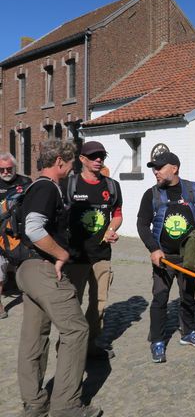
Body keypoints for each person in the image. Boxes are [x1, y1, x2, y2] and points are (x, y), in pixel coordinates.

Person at [16, 139, 102, 417]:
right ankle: (66, 406)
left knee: (34, 336)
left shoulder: (31, 187)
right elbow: (34, 228)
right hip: (43, 268)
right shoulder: (47, 188)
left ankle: (35, 403)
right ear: (59, 162)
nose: (73, 167)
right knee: (76, 329)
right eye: (72, 162)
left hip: (26, 269)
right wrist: (61, 255)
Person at [137, 151, 195, 363]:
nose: (155, 172)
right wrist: (153, 249)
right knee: (160, 298)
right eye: (154, 168)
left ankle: (188, 333)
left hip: (189, 256)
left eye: (159, 168)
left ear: (174, 168)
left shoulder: (194, 190)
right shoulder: (150, 195)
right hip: (165, 257)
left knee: (188, 295)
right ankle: (157, 341)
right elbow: (142, 224)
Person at [65, 141, 123, 360]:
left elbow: (117, 214)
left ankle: (90, 344)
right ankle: (71, 343)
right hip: (76, 256)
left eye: (102, 156)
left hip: (102, 255)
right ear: (82, 159)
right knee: (72, 302)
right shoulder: (69, 185)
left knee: (98, 303)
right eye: (93, 156)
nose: (98, 159)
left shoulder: (112, 186)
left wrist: (111, 229)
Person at [0, 151, 32, 319]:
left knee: (25, 266)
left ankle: (30, 297)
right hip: (0, 234)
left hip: (20, 233)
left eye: (9, 169)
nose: (5, 172)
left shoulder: (26, 182)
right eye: (2, 170)